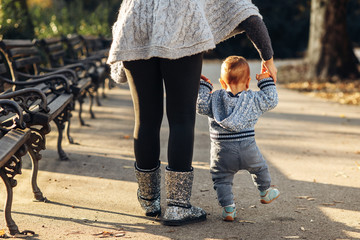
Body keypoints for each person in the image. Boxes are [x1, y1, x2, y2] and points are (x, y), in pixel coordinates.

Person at [107, 0, 277, 226]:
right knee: (181, 118)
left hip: (134, 25)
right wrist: (268, 60)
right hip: (183, 28)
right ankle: (178, 207)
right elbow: (247, 14)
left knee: (145, 119)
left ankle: (149, 200)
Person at [196, 56, 280, 222]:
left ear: (222, 82)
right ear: (248, 82)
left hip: (222, 153)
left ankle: (228, 208)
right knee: (260, 168)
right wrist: (265, 81)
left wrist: (203, 86)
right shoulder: (253, 100)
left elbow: (199, 104)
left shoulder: (214, 100)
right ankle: (265, 191)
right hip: (248, 150)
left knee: (221, 179)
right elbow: (271, 99)